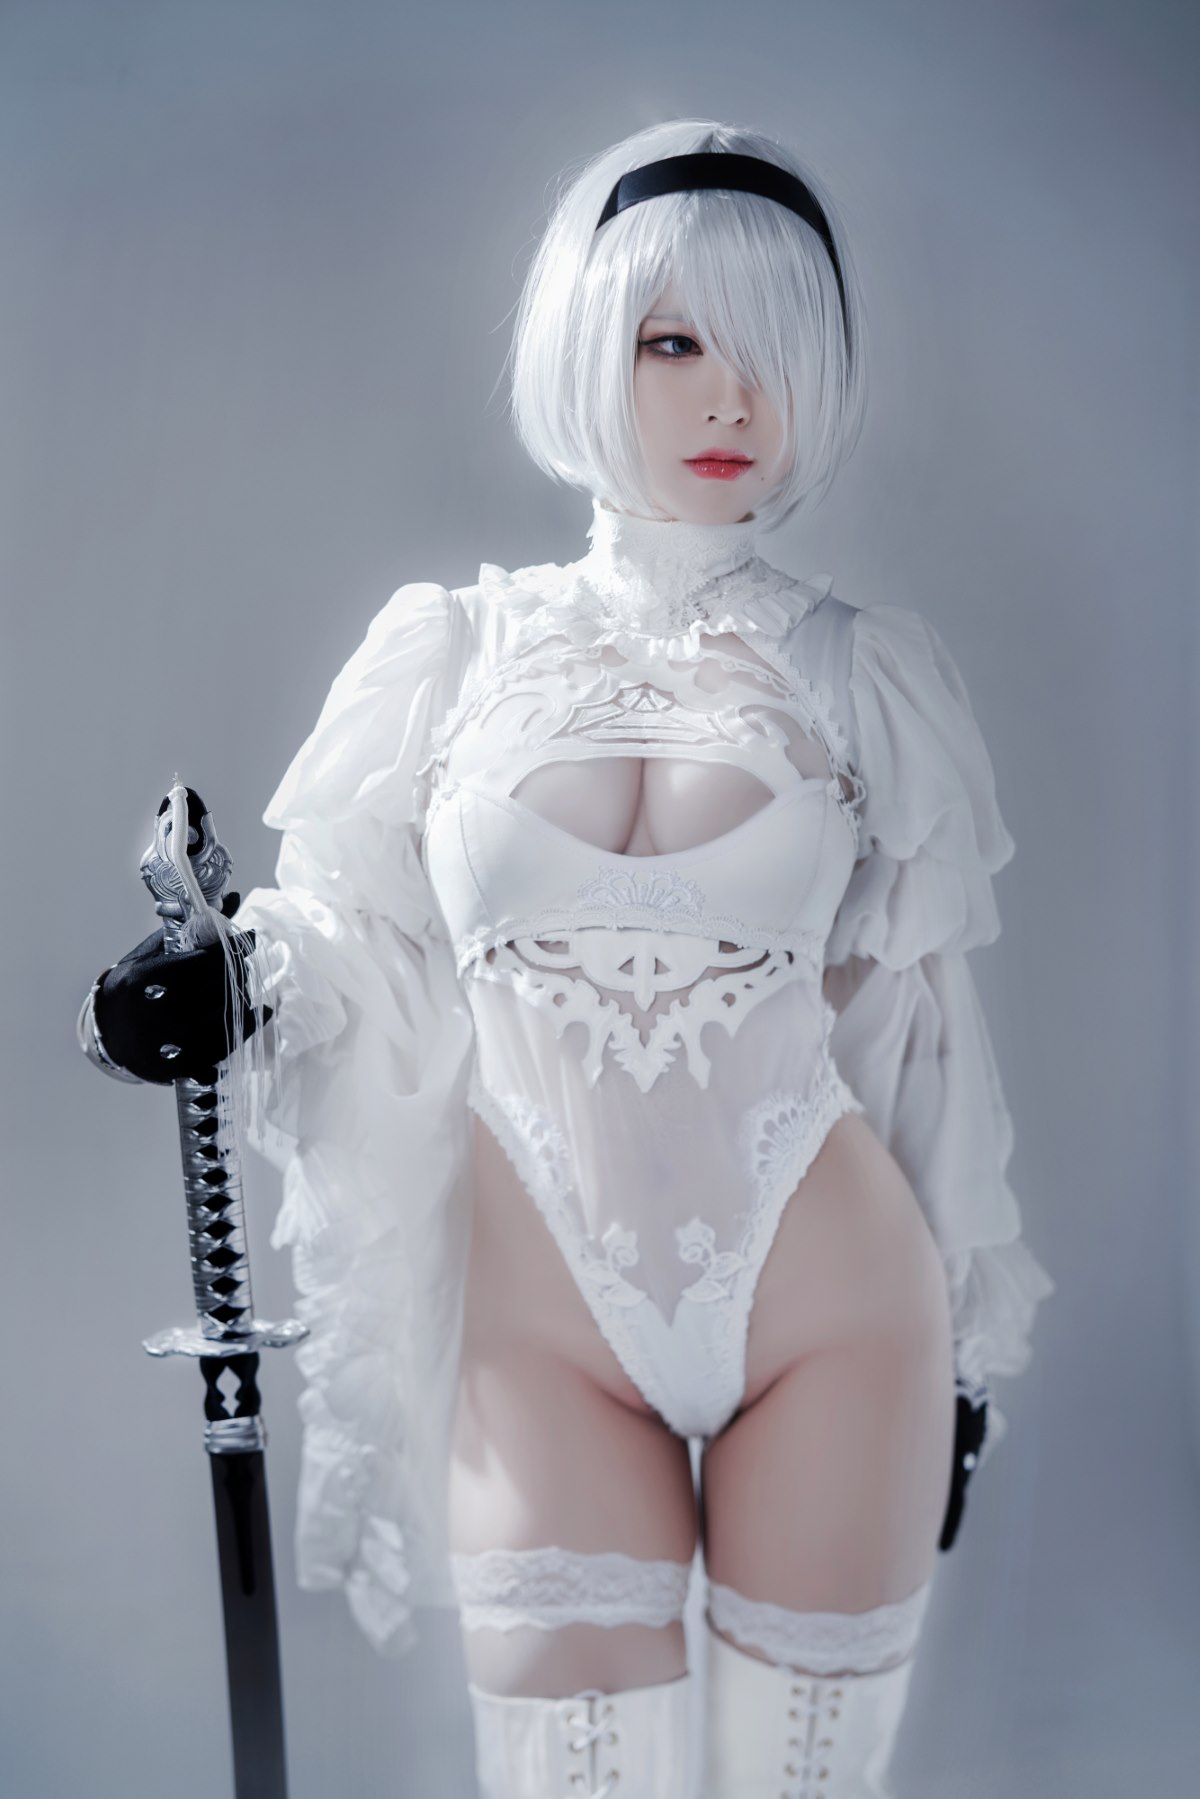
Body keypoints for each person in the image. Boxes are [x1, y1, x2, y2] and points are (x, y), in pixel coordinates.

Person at [80, 118, 1054, 1798]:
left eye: (772, 351)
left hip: (833, 1311)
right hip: (545, 1330)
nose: (732, 400)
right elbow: (357, 929)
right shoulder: (457, 654)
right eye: (675, 344)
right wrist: (241, 981)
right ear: (588, 345)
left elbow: (916, 1022)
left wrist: (967, 1344)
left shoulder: (861, 676)